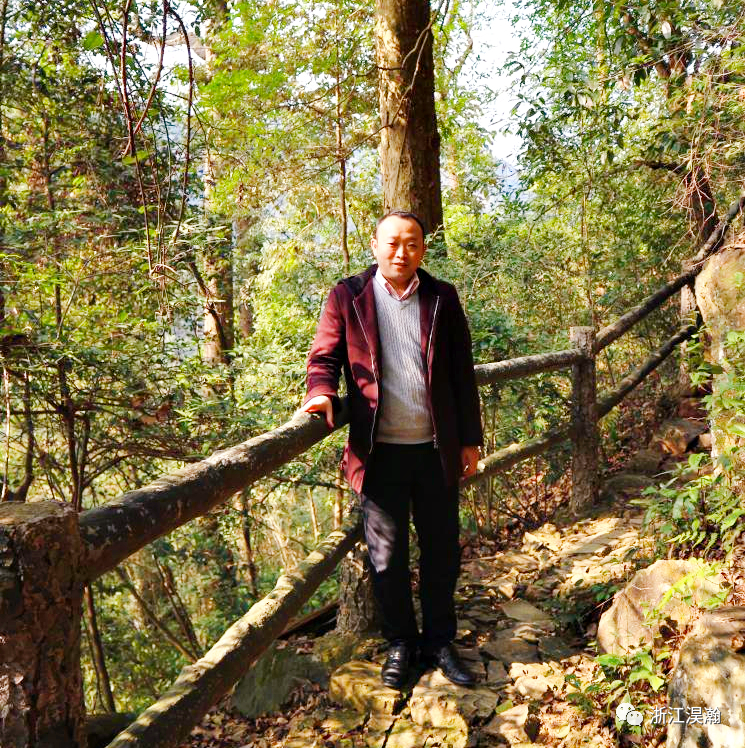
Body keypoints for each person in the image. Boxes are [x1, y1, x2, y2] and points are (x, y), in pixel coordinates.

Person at [299, 210, 483, 689]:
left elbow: (461, 372)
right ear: (375, 246)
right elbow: (324, 357)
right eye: (393, 243)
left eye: (412, 243)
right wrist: (321, 392)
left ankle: (439, 642)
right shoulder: (348, 296)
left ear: (423, 249)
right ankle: (401, 642)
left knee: (441, 551)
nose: (402, 252)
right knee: (386, 558)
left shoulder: (442, 297)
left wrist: (469, 439)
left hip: (435, 449)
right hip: (378, 452)